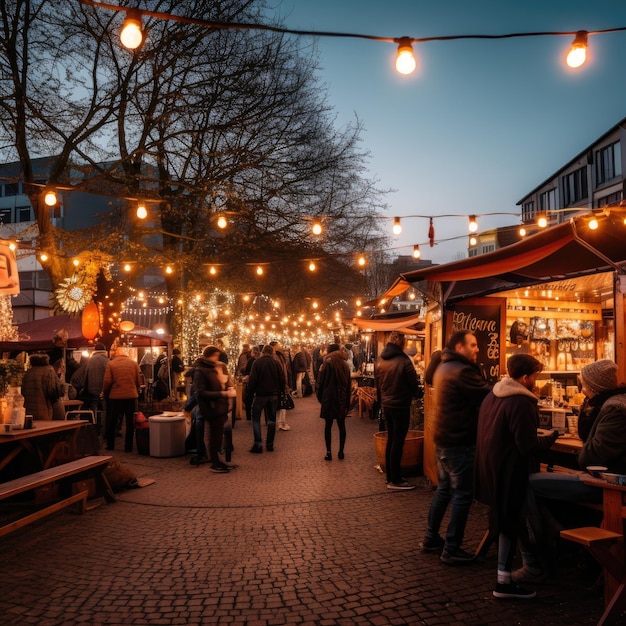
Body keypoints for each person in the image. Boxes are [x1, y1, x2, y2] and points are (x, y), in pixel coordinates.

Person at [524, 359, 626, 575]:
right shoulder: (608, 405)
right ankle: (563, 542)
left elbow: (590, 456)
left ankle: (551, 546)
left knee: (528, 483)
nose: (582, 388)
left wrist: (587, 416)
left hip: (609, 484)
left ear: (595, 385)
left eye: (585, 383)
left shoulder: (614, 410)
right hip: (601, 478)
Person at [475, 354, 559, 600]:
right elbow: (527, 445)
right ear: (525, 377)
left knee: (505, 523)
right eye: (535, 376)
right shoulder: (522, 402)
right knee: (510, 523)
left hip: (491, 468)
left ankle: (510, 575)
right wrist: (551, 438)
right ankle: (504, 582)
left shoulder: (493, 395)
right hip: (510, 473)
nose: (536, 381)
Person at [421, 329, 492, 565]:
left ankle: (431, 538)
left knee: (444, 490)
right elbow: (488, 395)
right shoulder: (462, 371)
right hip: (460, 442)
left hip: (444, 440)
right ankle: (452, 548)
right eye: (472, 345)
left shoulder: (444, 366)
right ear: (460, 347)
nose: (477, 349)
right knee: (462, 495)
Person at [374, 331, 423, 491]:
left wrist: (381, 403)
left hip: (387, 405)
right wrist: (416, 394)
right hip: (400, 405)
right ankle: (395, 479)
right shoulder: (403, 360)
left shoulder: (381, 360)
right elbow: (413, 383)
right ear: (401, 342)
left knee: (391, 439)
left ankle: (391, 475)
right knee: (398, 441)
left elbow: (378, 384)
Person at [192, 346, 236, 473]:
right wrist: (222, 394)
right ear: (209, 355)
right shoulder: (201, 370)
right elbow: (200, 392)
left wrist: (226, 389)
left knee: (218, 434)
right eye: (215, 355)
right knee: (213, 435)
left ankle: (218, 461)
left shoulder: (215, 368)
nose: (217, 358)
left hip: (220, 407)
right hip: (211, 408)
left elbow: (221, 384)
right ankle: (215, 462)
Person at [247, 344, 285, 453]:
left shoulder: (257, 363)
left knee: (256, 419)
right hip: (273, 395)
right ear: (272, 352)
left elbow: (252, 379)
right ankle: (270, 444)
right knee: (271, 420)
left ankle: (258, 443)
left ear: (262, 352)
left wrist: (250, 393)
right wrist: (281, 392)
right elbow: (282, 378)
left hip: (260, 395)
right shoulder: (276, 363)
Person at [102, 346, 142, 452]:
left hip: (115, 397)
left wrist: (104, 391)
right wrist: (136, 388)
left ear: (116, 354)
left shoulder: (111, 364)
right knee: (130, 423)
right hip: (131, 396)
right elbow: (139, 380)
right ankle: (128, 447)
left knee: (113, 421)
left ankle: (110, 445)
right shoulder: (133, 363)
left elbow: (107, 381)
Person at [316, 343, 351, 461]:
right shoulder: (345, 364)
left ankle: (328, 452)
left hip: (328, 398)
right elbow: (348, 384)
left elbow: (320, 382)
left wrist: (320, 397)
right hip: (341, 398)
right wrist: (347, 401)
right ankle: (341, 451)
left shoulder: (326, 363)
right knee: (342, 426)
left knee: (328, 426)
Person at [70, 342, 109, 420]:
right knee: (105, 409)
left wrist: (85, 388)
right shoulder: (107, 361)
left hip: (91, 389)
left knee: (93, 407)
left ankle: (92, 424)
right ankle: (104, 426)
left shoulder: (90, 360)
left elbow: (86, 375)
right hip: (103, 390)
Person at [22, 352, 65, 420]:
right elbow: (55, 393)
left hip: (28, 413)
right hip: (43, 412)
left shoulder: (28, 372)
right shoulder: (49, 370)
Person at [270, 341, 292, 431]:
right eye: (277, 345)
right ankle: (281, 422)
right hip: (280, 383)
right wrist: (285, 384)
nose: (280, 346)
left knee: (279, 403)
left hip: (277, 383)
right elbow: (282, 372)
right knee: (282, 403)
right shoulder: (277, 357)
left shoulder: (278, 356)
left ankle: (278, 422)